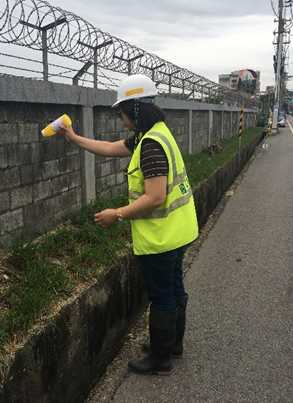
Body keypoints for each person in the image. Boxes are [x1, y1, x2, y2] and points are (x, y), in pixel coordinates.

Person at [58, 74, 199, 376]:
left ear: (133, 108)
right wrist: (73, 137)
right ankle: (172, 344)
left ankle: (161, 359)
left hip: (161, 237)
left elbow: (155, 197)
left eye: (119, 110)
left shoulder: (150, 145)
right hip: (180, 230)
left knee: (161, 294)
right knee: (174, 288)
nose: (118, 117)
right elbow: (110, 148)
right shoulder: (155, 133)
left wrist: (117, 214)